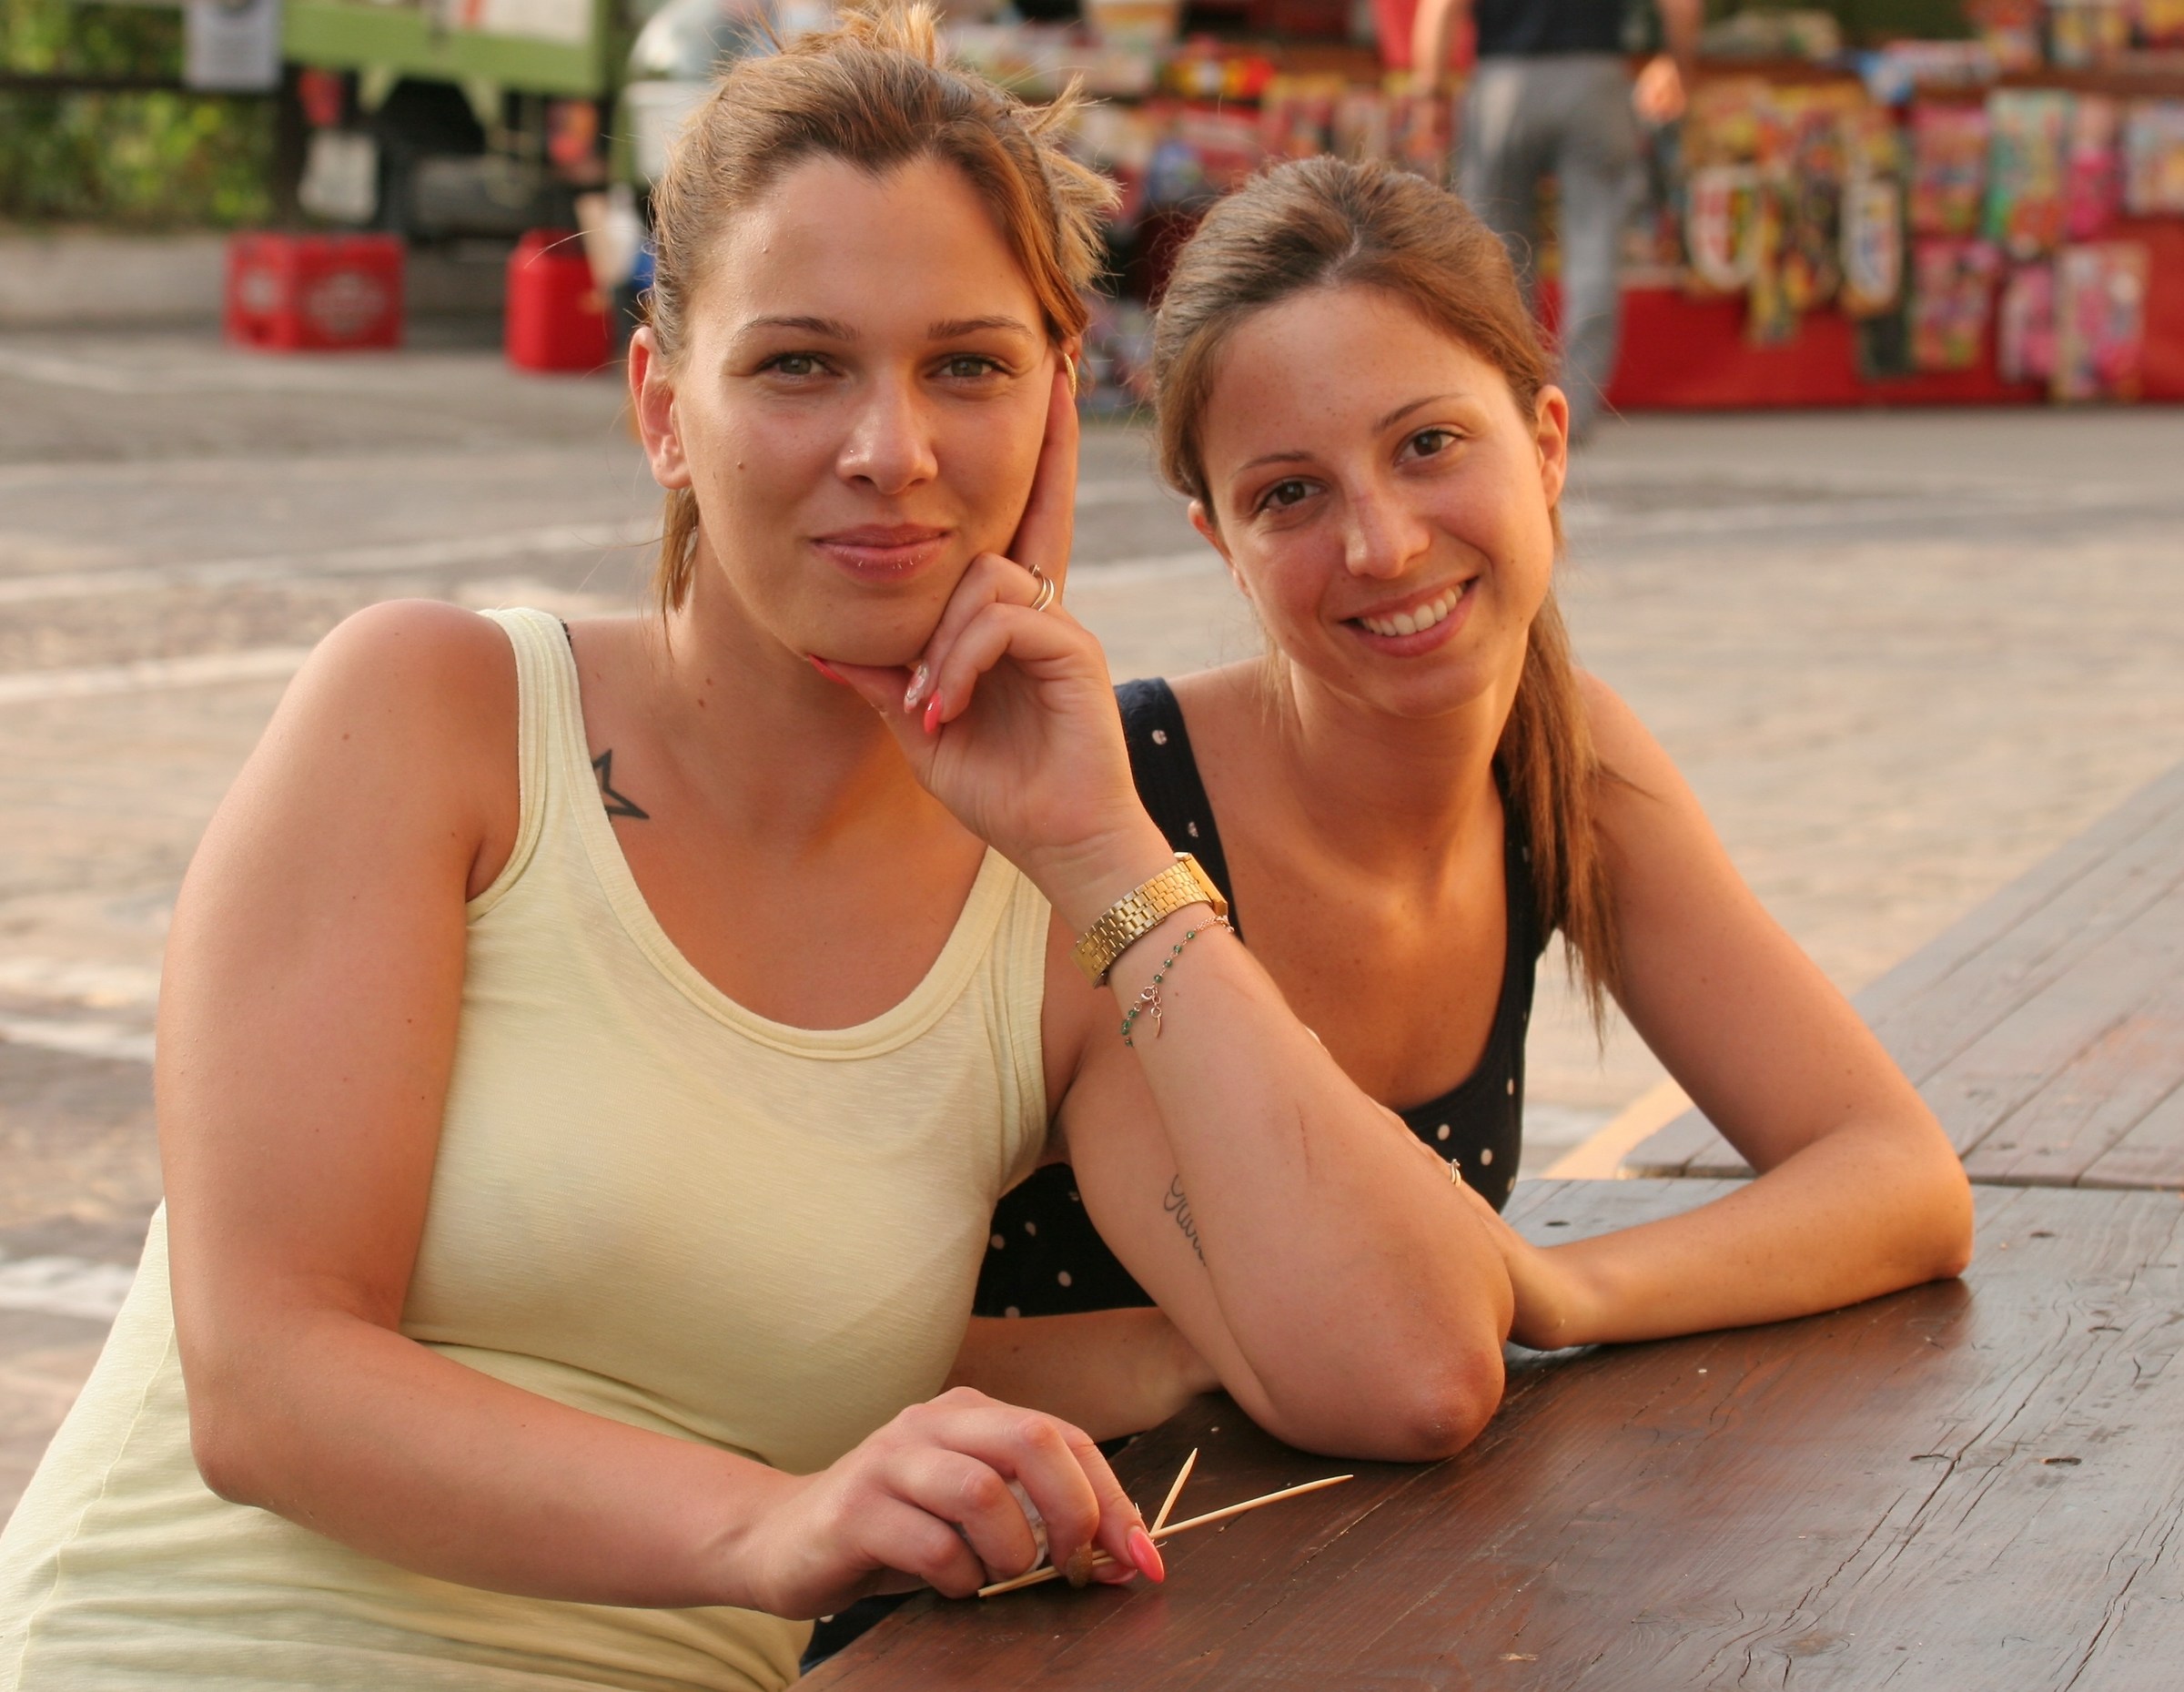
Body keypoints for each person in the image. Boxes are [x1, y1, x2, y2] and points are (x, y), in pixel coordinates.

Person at [0, 21, 1519, 1691]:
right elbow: (268, 1383)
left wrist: (1097, 843)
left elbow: (1417, 1367)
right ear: (663, 406)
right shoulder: (434, 714)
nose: (893, 448)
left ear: (1058, 405)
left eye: (969, 367)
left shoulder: (1046, 904)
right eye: (801, 365)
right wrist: (776, 1523)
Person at [971, 157, 1972, 1365]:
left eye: (1429, 443)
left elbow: (1901, 1177)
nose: (1383, 542)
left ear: (1547, 444)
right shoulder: (1095, 802)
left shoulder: (1565, 759)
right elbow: (839, 1326)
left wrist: (1554, 1289)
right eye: (1290, 493)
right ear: (1224, 545)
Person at [1409, 0, 1702, 438]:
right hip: (1594, 79)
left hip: (1502, 83)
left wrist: (1431, 92)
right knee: (1593, 254)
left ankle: (1506, 404)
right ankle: (1570, 418)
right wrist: (1680, 66)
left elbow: (1440, 8)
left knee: (1494, 256)